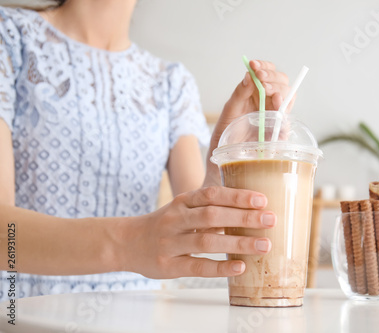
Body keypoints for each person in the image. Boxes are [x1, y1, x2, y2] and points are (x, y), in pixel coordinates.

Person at [0, 0, 291, 300]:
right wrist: (129, 243)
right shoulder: (9, 37)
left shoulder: (170, 82)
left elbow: (193, 229)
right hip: (20, 315)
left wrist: (228, 165)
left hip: (139, 319)